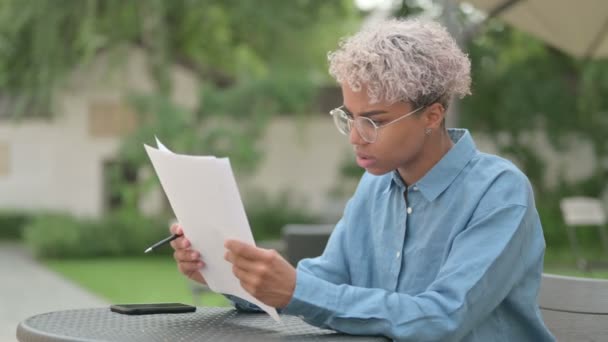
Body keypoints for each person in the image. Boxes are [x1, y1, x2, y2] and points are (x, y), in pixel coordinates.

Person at [169, 18, 555, 341]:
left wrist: (297, 290)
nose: (355, 136)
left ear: (433, 115)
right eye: (349, 117)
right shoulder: (377, 186)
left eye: (374, 120)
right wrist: (231, 272)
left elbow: (442, 317)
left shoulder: (499, 192)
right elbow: (325, 280)